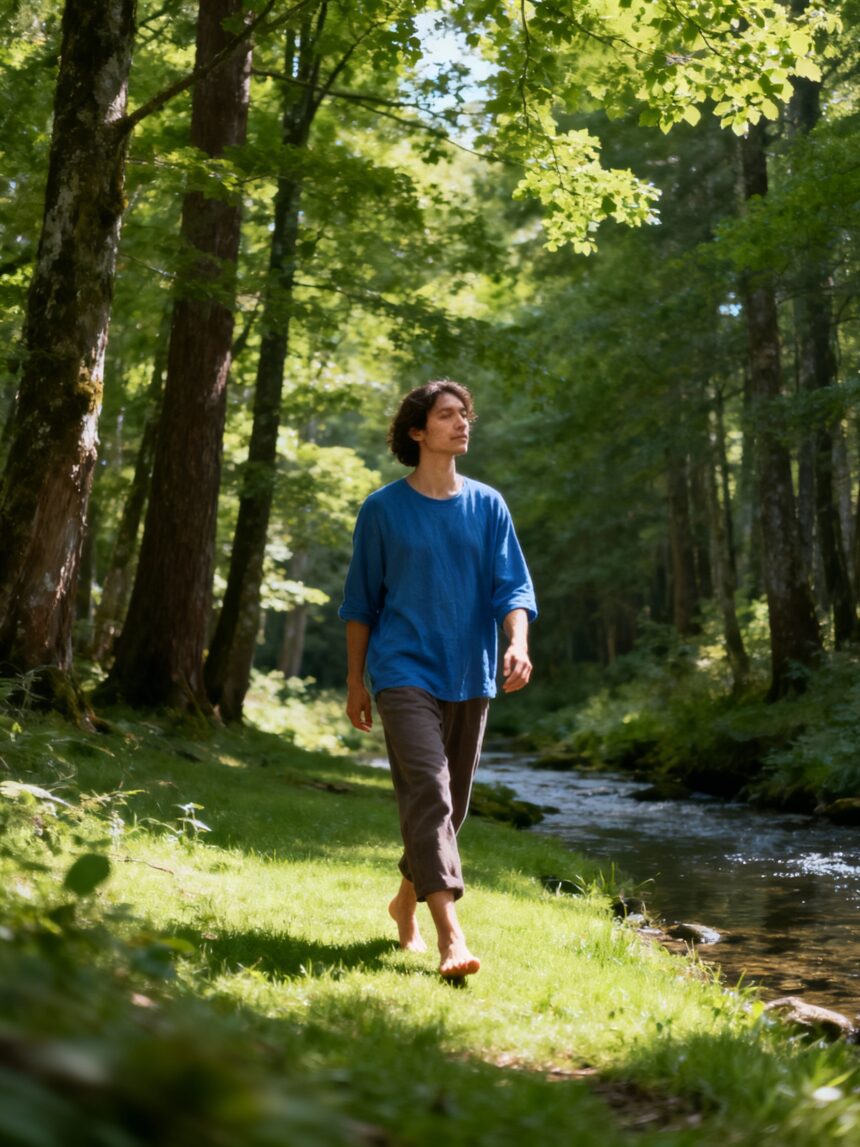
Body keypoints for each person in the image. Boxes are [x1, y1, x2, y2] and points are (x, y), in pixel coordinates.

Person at [339, 379, 536, 978]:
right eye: (447, 416)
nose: (462, 424)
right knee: (428, 790)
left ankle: (406, 901)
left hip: (469, 673)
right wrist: (356, 681)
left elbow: (514, 588)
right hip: (401, 671)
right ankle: (452, 938)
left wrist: (518, 641)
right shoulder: (382, 509)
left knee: (450, 810)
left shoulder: (488, 505)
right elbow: (359, 603)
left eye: (464, 415)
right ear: (418, 432)